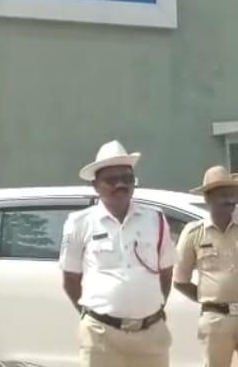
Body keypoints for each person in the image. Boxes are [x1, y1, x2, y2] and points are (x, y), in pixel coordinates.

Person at [59, 140, 175, 367]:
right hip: (101, 336)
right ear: (95, 186)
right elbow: (70, 279)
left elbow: (166, 272)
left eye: (127, 178)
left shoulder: (155, 219)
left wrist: (151, 308)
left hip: (150, 336)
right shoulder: (80, 223)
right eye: (111, 180)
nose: (120, 184)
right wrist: (92, 315)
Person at [174, 166, 238, 367]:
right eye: (223, 195)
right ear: (208, 198)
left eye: (232, 193)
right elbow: (180, 280)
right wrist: (211, 303)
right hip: (216, 319)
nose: (230, 199)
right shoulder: (194, 233)